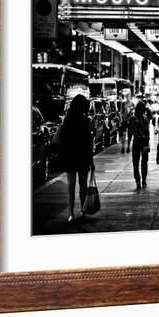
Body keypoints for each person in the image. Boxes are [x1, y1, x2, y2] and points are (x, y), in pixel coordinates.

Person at [57, 94, 94, 222]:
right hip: (83, 156)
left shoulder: (67, 120)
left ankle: (71, 213)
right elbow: (89, 142)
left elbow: (63, 139)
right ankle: (83, 210)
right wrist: (91, 160)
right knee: (82, 185)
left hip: (70, 156)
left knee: (70, 186)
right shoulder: (85, 121)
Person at [129, 100, 150, 189]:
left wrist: (128, 141)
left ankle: (137, 181)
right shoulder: (145, 118)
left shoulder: (131, 118)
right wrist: (147, 142)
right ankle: (144, 180)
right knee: (144, 162)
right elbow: (147, 132)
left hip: (136, 141)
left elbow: (129, 131)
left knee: (135, 162)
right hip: (144, 141)